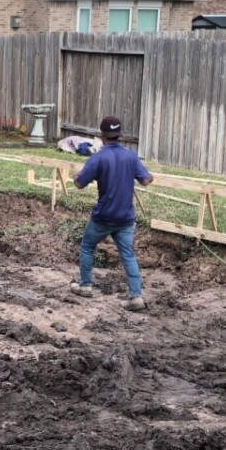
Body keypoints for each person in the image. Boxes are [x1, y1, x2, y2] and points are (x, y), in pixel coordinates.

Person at [70, 116, 154, 310]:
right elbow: (146, 180)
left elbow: (79, 184)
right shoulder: (131, 156)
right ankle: (136, 297)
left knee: (87, 246)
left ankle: (85, 286)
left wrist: (77, 176)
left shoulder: (98, 158)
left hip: (103, 217)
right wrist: (151, 176)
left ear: (102, 135)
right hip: (125, 218)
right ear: (119, 135)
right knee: (128, 255)